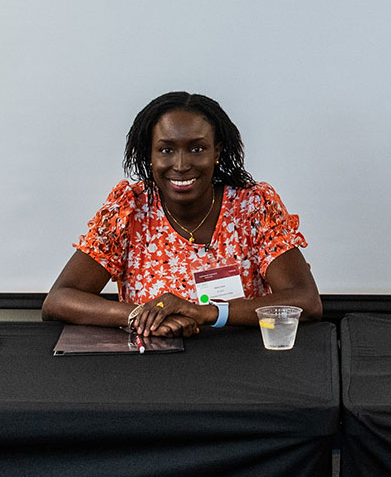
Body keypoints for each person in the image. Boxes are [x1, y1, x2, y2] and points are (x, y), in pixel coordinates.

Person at [42, 91, 322, 337]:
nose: (181, 164)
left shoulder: (253, 207)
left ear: (216, 152)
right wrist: (141, 316)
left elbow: (306, 301)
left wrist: (207, 313)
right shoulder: (129, 210)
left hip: (244, 365)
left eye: (197, 149)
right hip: (149, 369)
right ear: (149, 156)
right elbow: (58, 300)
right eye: (166, 150)